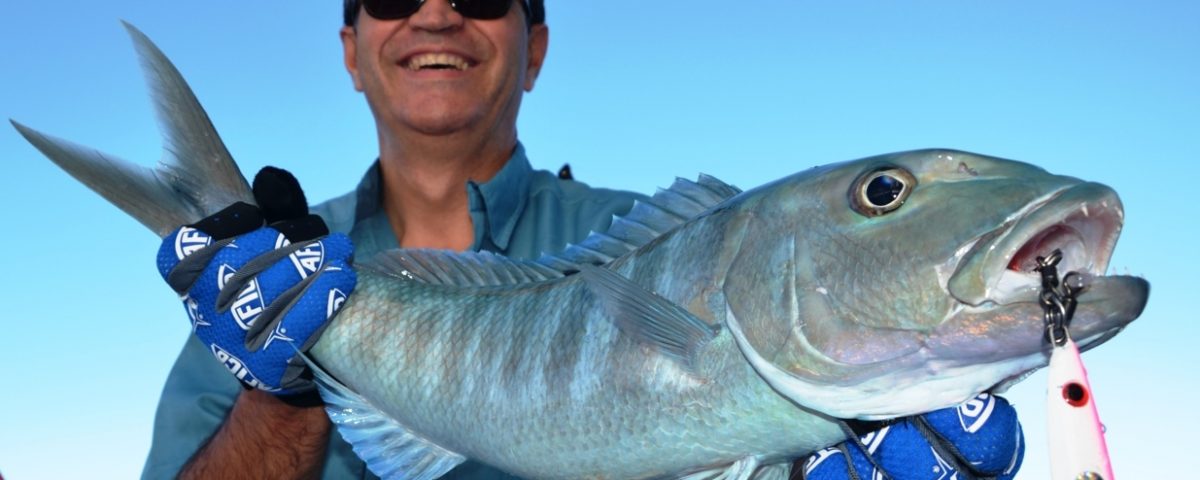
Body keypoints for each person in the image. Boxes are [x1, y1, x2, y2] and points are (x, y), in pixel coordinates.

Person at [144, 1, 1025, 479]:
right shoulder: (258, 289)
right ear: (350, 48)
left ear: (534, 50)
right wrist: (285, 388)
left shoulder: (646, 233)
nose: (439, 13)